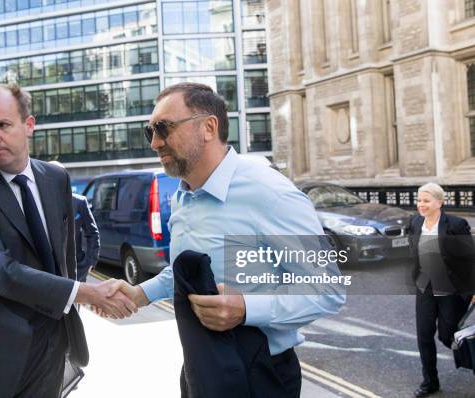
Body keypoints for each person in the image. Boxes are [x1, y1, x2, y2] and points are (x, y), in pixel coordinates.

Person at [111, 83, 346, 397]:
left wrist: (245, 308)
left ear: (209, 127)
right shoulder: (184, 194)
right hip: (199, 369)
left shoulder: (271, 194)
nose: (154, 142)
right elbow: (192, 273)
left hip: (260, 377)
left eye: (164, 128)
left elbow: (328, 291)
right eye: (149, 131)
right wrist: (140, 294)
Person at [0, 83, 135, 397]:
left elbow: (65, 253)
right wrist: (87, 293)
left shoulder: (55, 177)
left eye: (3, 125)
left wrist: (78, 292)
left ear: (29, 125)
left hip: (53, 339)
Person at [409, 183, 475, 397]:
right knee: (424, 336)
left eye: (426, 201)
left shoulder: (456, 224)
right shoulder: (416, 222)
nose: (421, 205)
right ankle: (430, 382)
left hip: (450, 289)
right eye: (419, 200)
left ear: (440, 202)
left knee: (449, 336)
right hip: (425, 288)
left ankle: (472, 361)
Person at [48, 162, 100, 282]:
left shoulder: (80, 202)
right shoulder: (39, 203)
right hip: (50, 271)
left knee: (76, 301)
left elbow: (92, 233)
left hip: (78, 269)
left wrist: (90, 261)